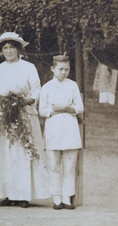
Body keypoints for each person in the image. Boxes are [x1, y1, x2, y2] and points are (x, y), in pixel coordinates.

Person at [0, 32, 49, 208]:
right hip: (6, 118)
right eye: (5, 48)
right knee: (6, 154)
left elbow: (37, 90)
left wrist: (23, 102)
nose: (8, 51)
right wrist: (3, 108)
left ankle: (23, 195)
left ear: (18, 49)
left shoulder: (28, 67)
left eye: (11, 47)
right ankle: (8, 194)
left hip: (24, 115)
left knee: (23, 154)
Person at [39, 55, 84, 210]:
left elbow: (80, 107)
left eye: (67, 69)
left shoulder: (72, 86)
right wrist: (54, 110)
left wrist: (66, 108)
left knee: (70, 166)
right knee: (54, 165)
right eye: (61, 69)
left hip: (70, 128)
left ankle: (67, 197)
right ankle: (56, 198)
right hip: (53, 128)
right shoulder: (46, 87)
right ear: (52, 69)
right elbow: (42, 110)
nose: (64, 72)